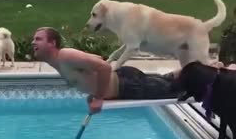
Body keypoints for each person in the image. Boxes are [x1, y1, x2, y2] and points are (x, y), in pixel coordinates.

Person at [31, 27, 181, 115]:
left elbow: (104, 67)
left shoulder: (65, 55)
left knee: (179, 90)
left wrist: (99, 98)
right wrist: (95, 94)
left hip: (127, 85)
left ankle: (200, 72)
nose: (33, 42)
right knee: (168, 82)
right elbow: (98, 60)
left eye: (38, 39)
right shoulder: (59, 62)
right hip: (124, 84)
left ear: (52, 43)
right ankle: (190, 69)